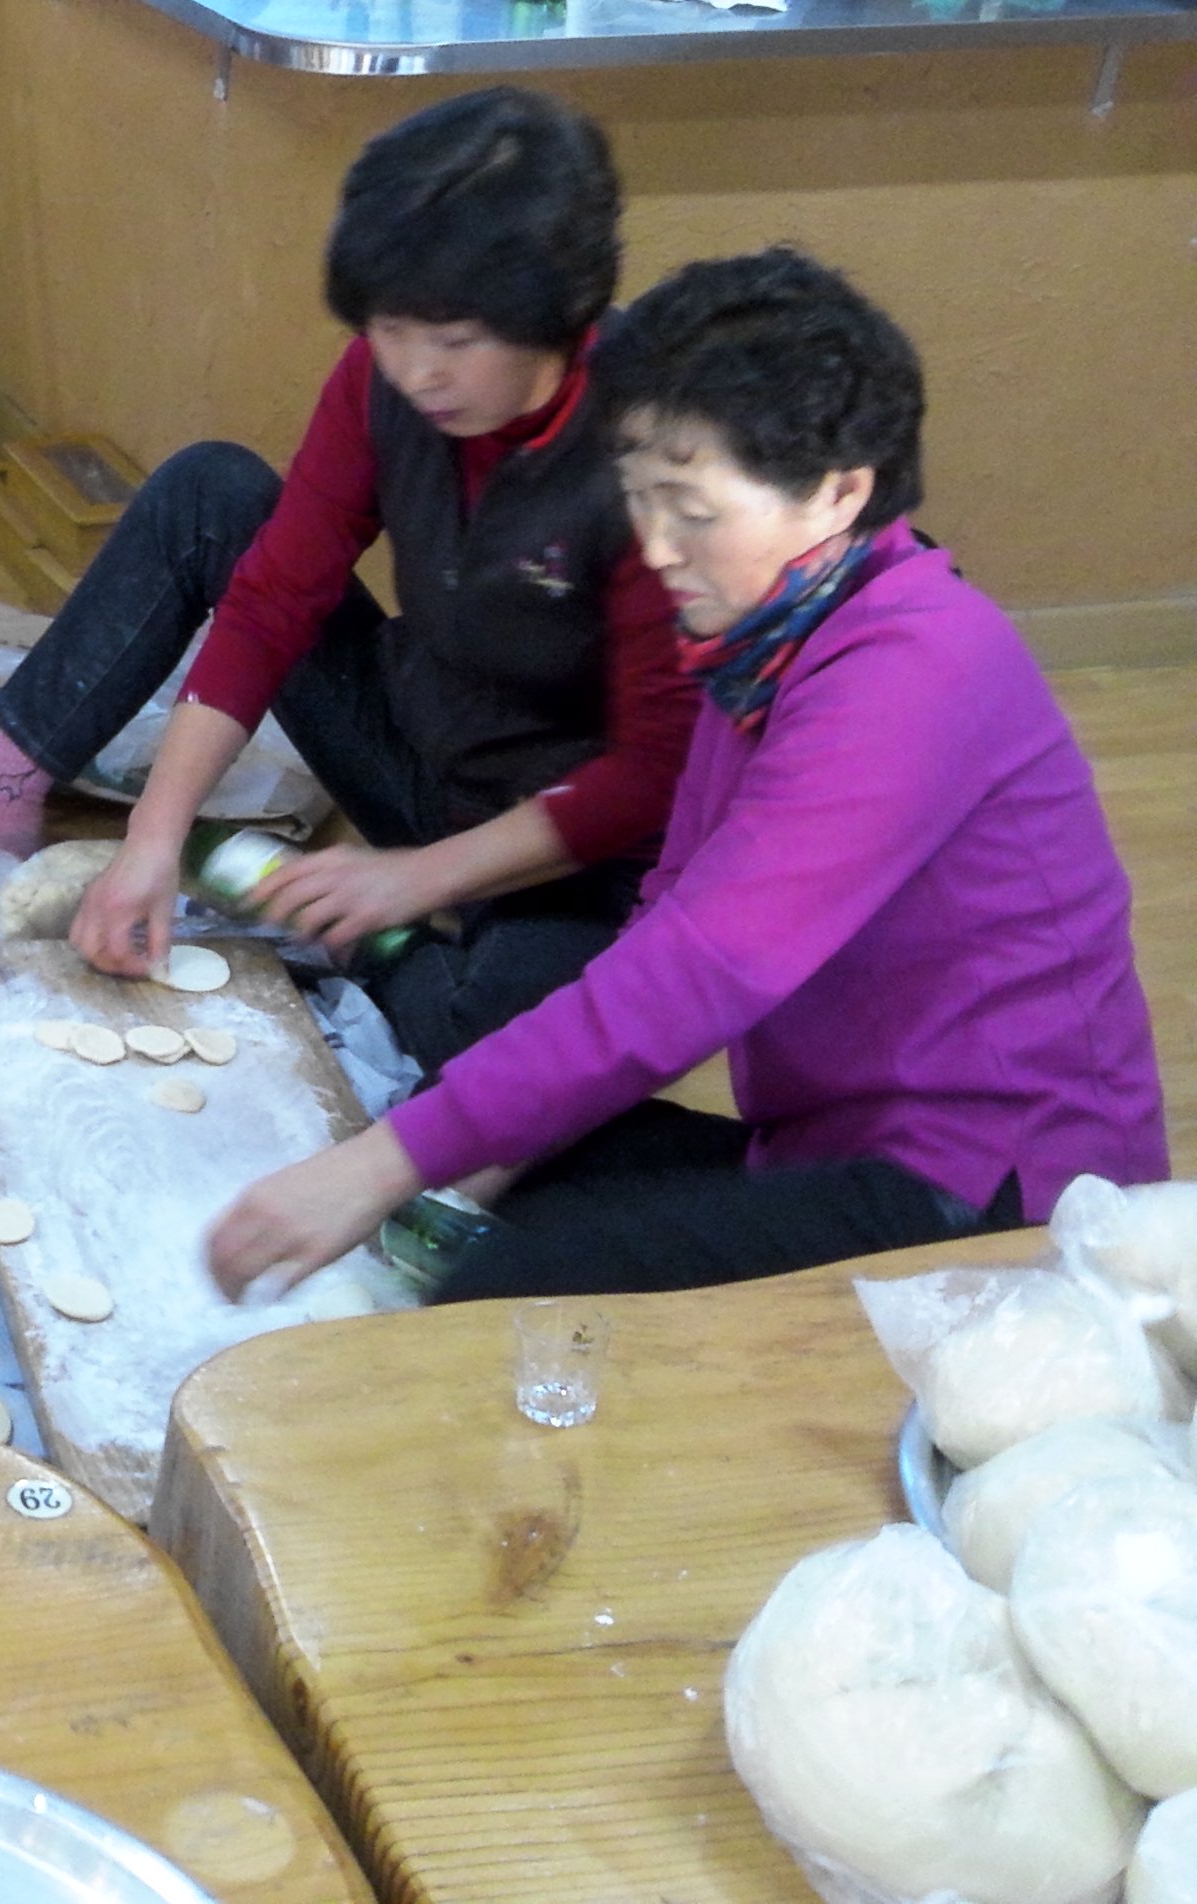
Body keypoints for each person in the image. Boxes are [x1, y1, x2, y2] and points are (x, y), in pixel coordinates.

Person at [206, 249, 1167, 1305]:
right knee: (476, 1168)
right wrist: (469, 1156)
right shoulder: (758, 639)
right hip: (824, 1143)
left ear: (838, 491)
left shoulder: (919, 668)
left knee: (509, 1277)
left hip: (1001, 1196)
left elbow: (701, 974)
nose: (656, 549)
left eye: (691, 511)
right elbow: (666, 916)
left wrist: (377, 1168)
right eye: (639, 502)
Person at [0, 88, 697, 1076]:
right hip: (426, 756)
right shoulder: (381, 379)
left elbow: (651, 777)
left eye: (455, 342)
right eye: (392, 330)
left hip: (570, 842)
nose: (417, 372)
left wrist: (414, 882)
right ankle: (2, 786)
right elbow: (277, 596)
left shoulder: (655, 454)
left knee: (498, 1049)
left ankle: (383, 942)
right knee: (212, 493)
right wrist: (153, 837)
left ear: (561, 317)